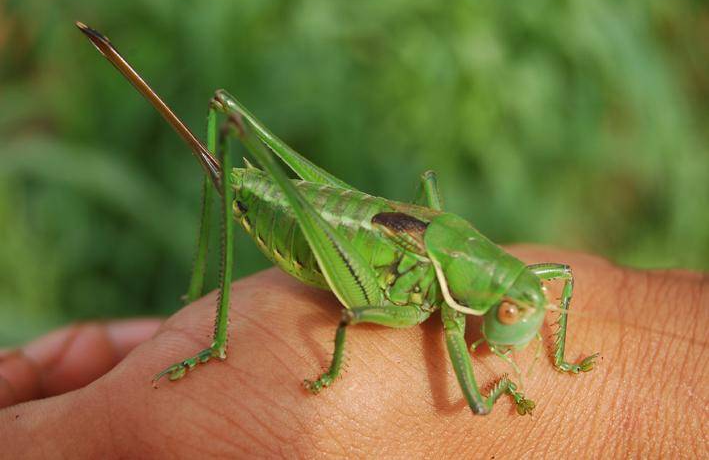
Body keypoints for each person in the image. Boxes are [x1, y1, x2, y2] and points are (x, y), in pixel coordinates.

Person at [0, 245, 704, 458]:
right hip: (322, 234)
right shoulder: (453, 309)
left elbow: (567, 276)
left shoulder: (504, 278)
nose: (516, 316)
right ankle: (210, 338)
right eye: (513, 310)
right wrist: (337, 370)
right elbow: (350, 323)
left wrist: (559, 366)